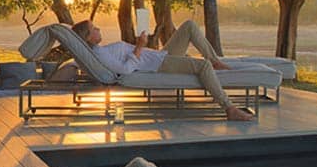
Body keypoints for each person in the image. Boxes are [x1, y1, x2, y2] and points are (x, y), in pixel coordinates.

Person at [70, 19, 256, 121]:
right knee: (203, 66)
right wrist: (140, 46)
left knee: (189, 26)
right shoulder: (100, 55)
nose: (98, 28)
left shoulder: (99, 50)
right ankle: (229, 108)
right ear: (88, 37)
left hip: (158, 57)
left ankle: (214, 60)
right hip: (158, 65)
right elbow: (126, 70)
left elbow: (127, 58)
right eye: (94, 28)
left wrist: (140, 46)